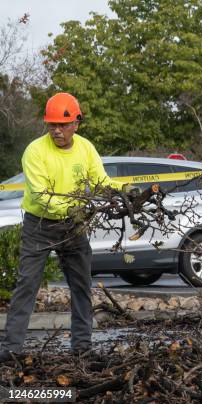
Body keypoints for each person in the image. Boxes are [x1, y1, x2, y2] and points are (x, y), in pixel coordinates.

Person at [0, 92, 124, 362]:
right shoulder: (35, 151)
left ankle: (82, 347)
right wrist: (76, 208)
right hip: (40, 225)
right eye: (52, 124)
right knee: (27, 286)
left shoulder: (86, 148)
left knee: (81, 285)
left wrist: (124, 192)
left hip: (74, 226)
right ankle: (11, 350)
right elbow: (43, 196)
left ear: (75, 124)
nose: (56, 130)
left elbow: (101, 180)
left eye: (62, 125)